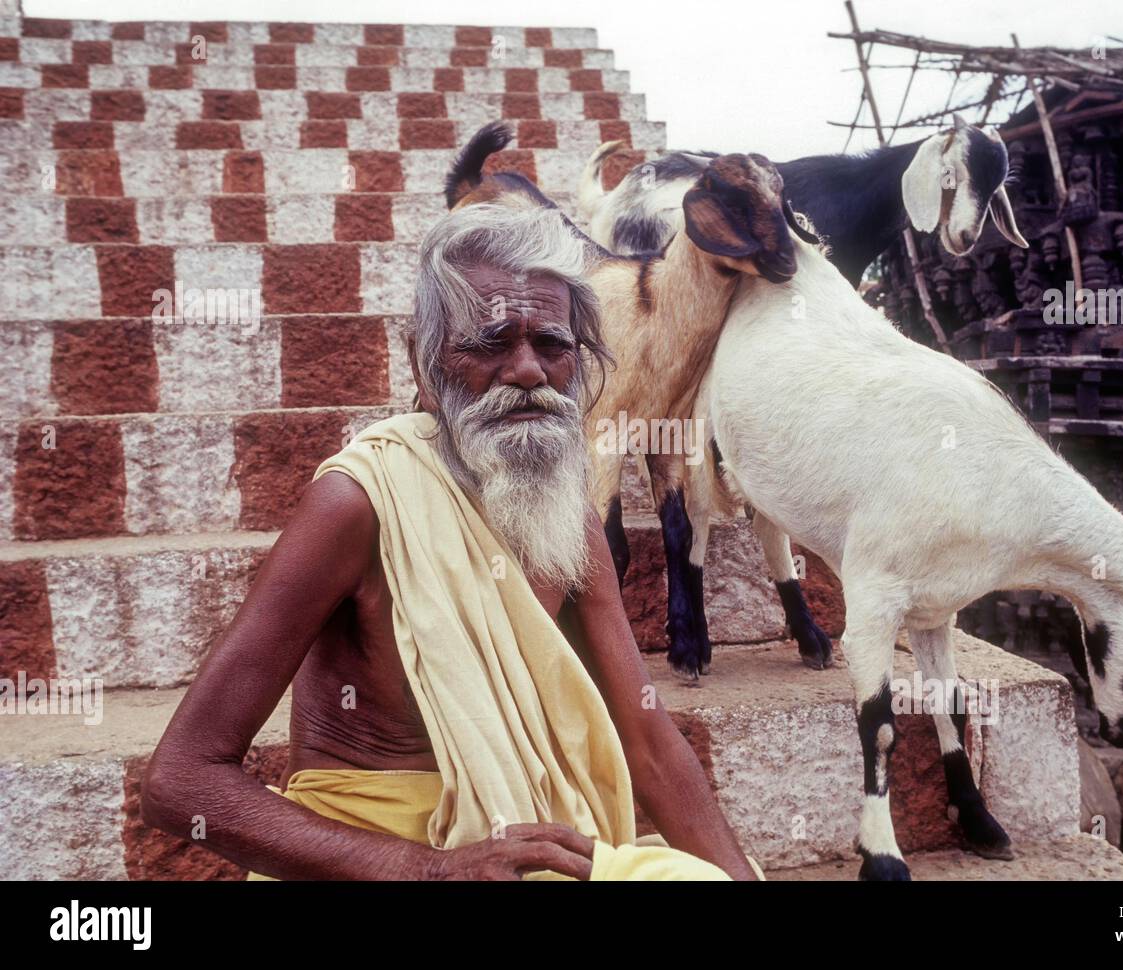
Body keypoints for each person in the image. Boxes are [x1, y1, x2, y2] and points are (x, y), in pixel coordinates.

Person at [141, 202, 761, 881]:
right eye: (491, 343)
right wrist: (429, 869)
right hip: (370, 857)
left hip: (529, 846)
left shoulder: (568, 518)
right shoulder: (360, 500)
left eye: (551, 345)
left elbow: (648, 743)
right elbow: (181, 780)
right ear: (424, 361)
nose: (527, 370)